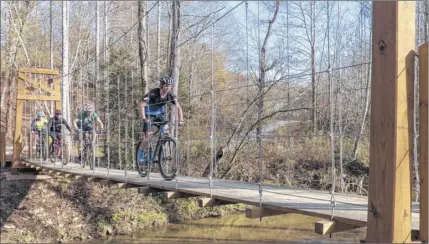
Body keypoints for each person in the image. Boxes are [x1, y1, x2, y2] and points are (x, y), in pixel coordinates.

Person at [137, 76, 184, 164]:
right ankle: (140, 152)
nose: (168, 87)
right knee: (149, 135)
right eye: (166, 85)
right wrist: (144, 118)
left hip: (160, 114)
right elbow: (141, 105)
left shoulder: (170, 95)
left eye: (170, 86)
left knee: (165, 132)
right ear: (161, 86)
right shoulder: (153, 93)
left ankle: (158, 151)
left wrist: (181, 120)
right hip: (149, 114)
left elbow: (178, 107)